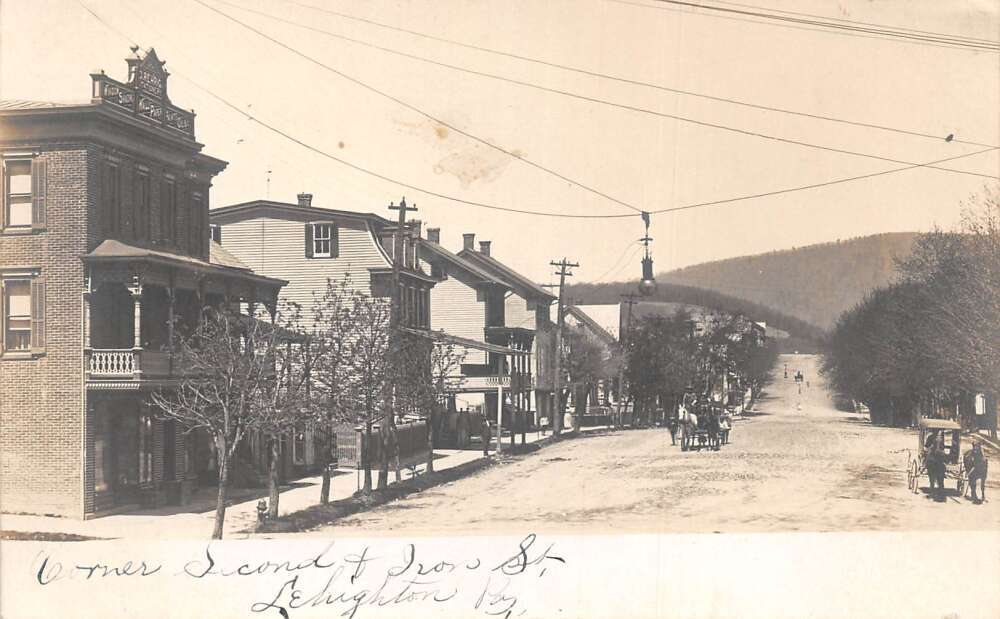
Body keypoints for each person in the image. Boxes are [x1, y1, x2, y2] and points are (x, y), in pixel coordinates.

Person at [926, 436, 946, 502]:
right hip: (932, 461)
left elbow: (943, 449)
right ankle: (932, 491)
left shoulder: (940, 440)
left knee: (941, 474)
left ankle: (940, 491)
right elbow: (927, 446)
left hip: (939, 461)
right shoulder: (930, 438)